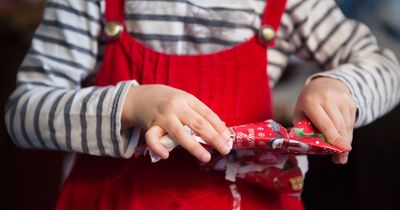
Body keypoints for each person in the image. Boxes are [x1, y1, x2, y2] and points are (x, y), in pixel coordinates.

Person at [4, 0, 400, 209]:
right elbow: (23, 113)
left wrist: (339, 84)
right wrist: (130, 103)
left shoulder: (288, 5)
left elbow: (387, 65)